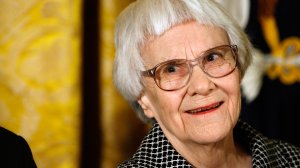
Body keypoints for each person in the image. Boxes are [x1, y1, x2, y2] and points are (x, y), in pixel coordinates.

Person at [113, 0, 300, 167]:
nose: (202, 86)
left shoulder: (291, 159)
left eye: (212, 57)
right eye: (171, 69)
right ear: (143, 98)